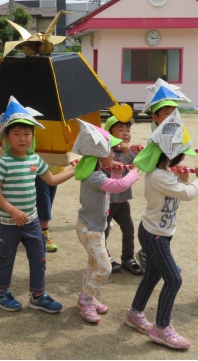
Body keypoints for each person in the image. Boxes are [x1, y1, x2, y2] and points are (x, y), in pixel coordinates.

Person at [126, 109, 198, 350]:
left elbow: (178, 191)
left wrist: (182, 178)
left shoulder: (165, 173)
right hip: (155, 235)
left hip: (160, 233)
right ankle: (162, 328)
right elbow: (188, 194)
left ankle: (134, 313)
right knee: (174, 279)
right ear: (173, 154)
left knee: (153, 274)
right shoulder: (158, 176)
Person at [0, 97, 75, 313]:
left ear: (33, 136)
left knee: (39, 258)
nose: (22, 138)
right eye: (16, 134)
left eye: (27, 133)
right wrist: (12, 210)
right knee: (6, 259)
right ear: (6, 136)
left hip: (32, 222)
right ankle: (0, 293)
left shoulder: (35, 160)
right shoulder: (3, 162)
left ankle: (38, 295)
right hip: (8, 223)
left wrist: (76, 170)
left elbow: (52, 180)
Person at [72, 119, 139, 323]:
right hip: (90, 228)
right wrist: (135, 171)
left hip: (95, 227)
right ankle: (86, 300)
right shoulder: (94, 176)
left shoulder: (98, 171)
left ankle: (87, 296)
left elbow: (114, 186)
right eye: (111, 150)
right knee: (104, 267)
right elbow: (119, 186)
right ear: (100, 155)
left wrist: (120, 168)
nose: (114, 154)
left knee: (93, 264)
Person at [136, 78, 192, 272]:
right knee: (158, 221)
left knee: (166, 220)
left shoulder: (177, 129)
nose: (171, 118)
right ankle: (150, 255)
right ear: (156, 117)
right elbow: (153, 161)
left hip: (168, 174)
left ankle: (156, 257)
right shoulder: (156, 134)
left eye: (174, 113)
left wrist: (176, 168)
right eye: (167, 114)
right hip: (159, 178)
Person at [103, 116, 143, 275]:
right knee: (104, 231)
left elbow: (139, 164)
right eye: (120, 130)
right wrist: (127, 154)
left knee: (128, 229)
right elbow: (113, 172)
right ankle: (105, 257)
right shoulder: (107, 153)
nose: (126, 133)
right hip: (107, 202)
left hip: (122, 201)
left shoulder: (127, 150)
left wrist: (137, 153)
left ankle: (128, 257)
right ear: (110, 133)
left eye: (128, 130)